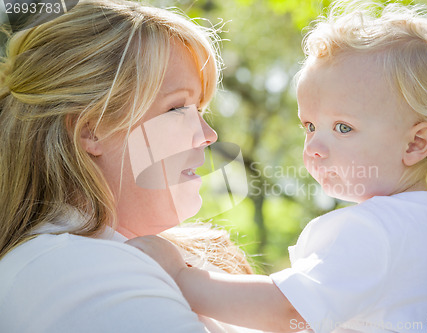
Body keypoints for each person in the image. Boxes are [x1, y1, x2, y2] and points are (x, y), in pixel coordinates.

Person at [126, 1, 427, 332]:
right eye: (309, 127)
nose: (314, 147)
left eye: (343, 128)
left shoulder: (376, 229)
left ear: (415, 143)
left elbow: (290, 312)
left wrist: (180, 276)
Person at [0, 0, 255, 332]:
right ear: (93, 129)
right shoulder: (75, 273)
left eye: (201, 111)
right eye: (178, 108)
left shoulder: (128, 260)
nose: (208, 135)